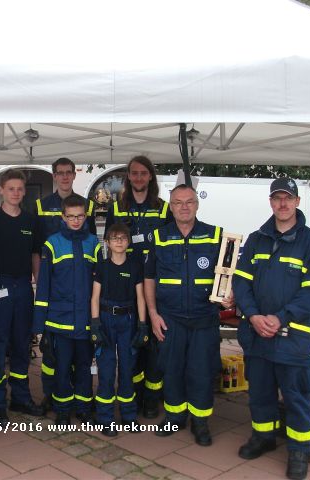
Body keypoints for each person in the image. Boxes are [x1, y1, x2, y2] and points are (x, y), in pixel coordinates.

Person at [233, 178, 310, 480]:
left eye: (288, 198)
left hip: (294, 337)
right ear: (271, 202)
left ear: (298, 202)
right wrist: (252, 316)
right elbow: (240, 281)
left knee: (296, 396)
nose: (282, 204)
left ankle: (300, 450)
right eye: (277, 198)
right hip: (257, 334)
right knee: (260, 393)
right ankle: (263, 437)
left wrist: (280, 317)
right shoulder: (256, 239)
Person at [144, 184, 231, 446]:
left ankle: (201, 422)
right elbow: (149, 278)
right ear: (170, 207)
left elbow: (229, 273)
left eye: (189, 202)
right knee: (172, 370)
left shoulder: (214, 235)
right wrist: (152, 313)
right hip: (170, 318)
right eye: (178, 202)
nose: (184, 207)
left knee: (201, 371)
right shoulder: (159, 236)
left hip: (204, 318)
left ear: (197, 204)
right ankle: (175, 415)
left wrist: (230, 294)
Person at [105, 155, 172, 418]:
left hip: (155, 283)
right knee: (132, 345)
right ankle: (131, 397)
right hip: (127, 286)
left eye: (144, 173)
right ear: (128, 177)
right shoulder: (117, 208)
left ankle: (151, 399)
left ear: (151, 177)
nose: (139, 178)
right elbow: (109, 246)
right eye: (134, 173)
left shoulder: (164, 209)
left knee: (154, 346)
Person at [0, 169, 45, 424]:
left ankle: (21, 397)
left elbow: (35, 256)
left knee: (22, 344)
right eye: (11, 189)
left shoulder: (32, 222)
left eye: (20, 189)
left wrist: (38, 286)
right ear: (1, 190)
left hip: (23, 288)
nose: (16, 193)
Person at [35, 157, 97, 410]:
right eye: (59, 173)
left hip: (82, 308)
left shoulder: (90, 219)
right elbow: (38, 252)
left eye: (68, 173)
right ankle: (56, 401)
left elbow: (94, 269)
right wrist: (39, 319)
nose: (64, 177)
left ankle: (81, 405)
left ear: (74, 175)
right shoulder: (42, 208)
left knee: (82, 362)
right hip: (58, 307)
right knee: (55, 361)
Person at [90, 223, 148, 437]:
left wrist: (143, 325)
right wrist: (95, 323)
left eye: (123, 238)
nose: (119, 241)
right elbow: (94, 297)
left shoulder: (135, 266)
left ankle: (129, 416)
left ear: (128, 241)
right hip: (105, 318)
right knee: (106, 369)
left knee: (127, 368)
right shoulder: (102, 266)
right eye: (114, 238)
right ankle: (105, 418)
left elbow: (140, 297)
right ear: (107, 242)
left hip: (128, 319)